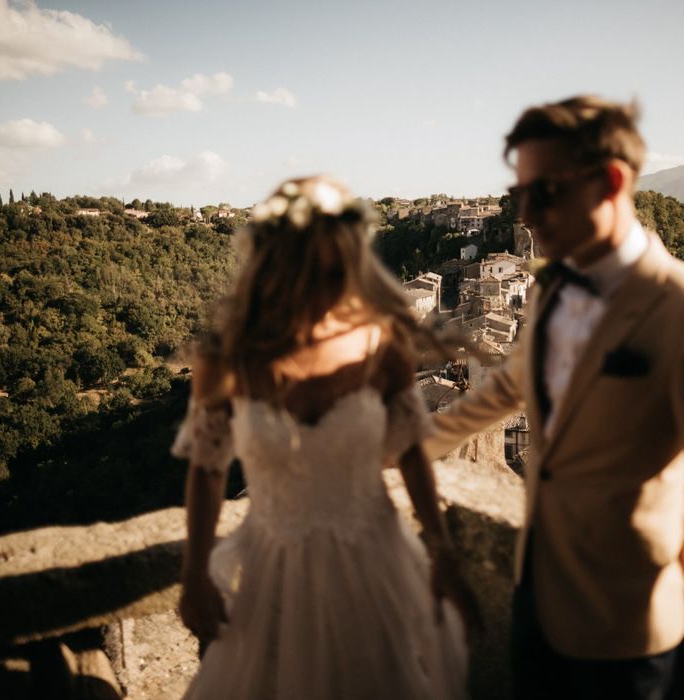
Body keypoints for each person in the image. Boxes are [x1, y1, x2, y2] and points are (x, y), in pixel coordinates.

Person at [171, 175, 480, 699]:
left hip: (373, 560)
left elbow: (410, 454)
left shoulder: (381, 344)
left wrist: (443, 552)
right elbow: (206, 470)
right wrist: (195, 575)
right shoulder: (227, 360)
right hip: (275, 568)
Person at [421, 95, 684, 699]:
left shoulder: (673, 310)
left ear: (610, 182)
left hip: (630, 624)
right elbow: (512, 386)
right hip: (536, 596)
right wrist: (409, 441)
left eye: (542, 194)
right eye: (519, 197)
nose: (527, 217)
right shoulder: (551, 289)